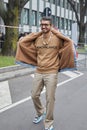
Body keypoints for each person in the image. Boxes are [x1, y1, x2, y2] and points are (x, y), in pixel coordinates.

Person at [16, 17, 75, 130]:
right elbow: (22, 42)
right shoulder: (37, 38)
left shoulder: (57, 38)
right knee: (34, 95)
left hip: (52, 72)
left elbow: (69, 42)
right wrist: (39, 32)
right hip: (39, 71)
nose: (44, 26)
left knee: (50, 98)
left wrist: (56, 32)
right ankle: (40, 112)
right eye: (42, 24)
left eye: (46, 25)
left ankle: (48, 122)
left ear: (51, 26)